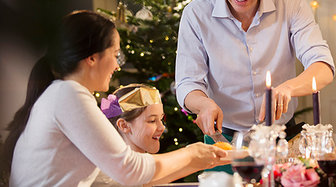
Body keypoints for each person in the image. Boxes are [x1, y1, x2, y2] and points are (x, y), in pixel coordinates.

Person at [2, 10, 228, 186]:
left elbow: (132, 176)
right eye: (115, 54)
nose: (117, 65)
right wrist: (191, 153)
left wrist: (200, 158)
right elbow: (129, 170)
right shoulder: (68, 94)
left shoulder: (60, 93)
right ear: (92, 58)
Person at [175, 0, 335, 145]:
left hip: (282, 138)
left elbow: (322, 66)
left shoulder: (291, 3)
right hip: (224, 138)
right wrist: (203, 104)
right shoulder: (196, 13)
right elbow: (187, 82)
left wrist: (288, 88)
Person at [93, 83, 201, 186]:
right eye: (152, 121)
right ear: (124, 126)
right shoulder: (109, 176)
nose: (162, 127)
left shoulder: (144, 172)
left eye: (161, 119)